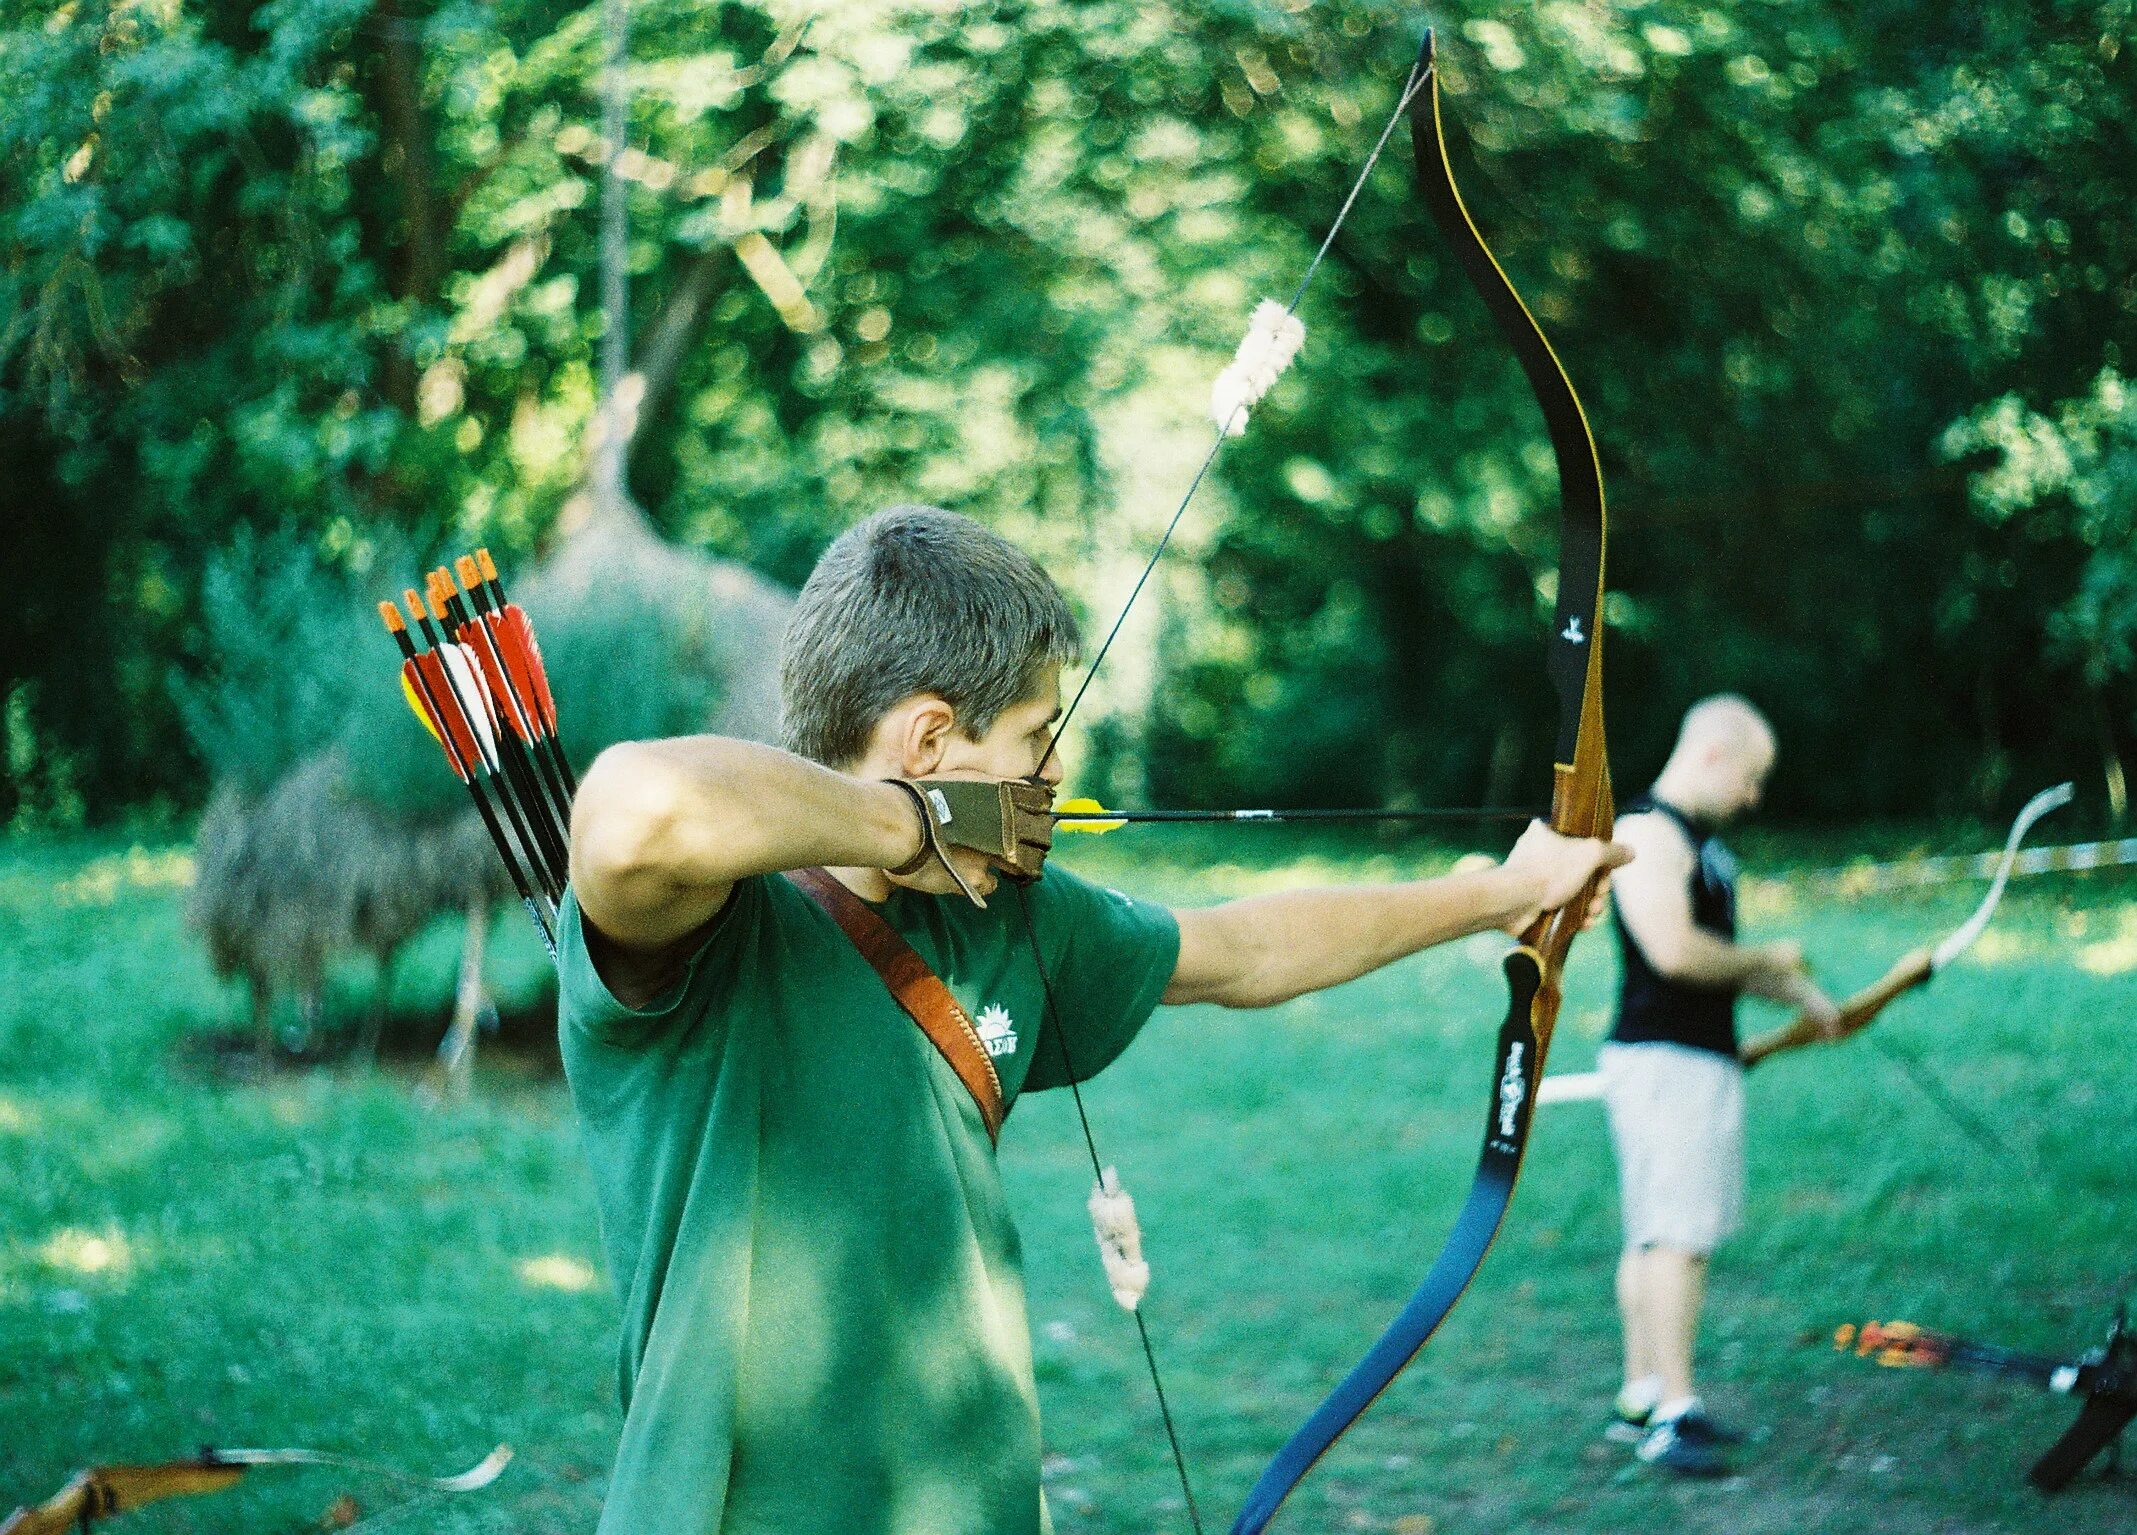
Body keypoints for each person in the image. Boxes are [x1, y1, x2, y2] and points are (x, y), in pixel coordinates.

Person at [561, 505, 1628, 1535]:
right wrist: (909, 823)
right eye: (1035, 736)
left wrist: (1499, 895)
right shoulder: (711, 932)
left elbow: (1243, 949)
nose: (1054, 773)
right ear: (932, 737)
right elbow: (632, 805)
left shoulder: (1005, 921)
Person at [1602, 694, 1839, 1477]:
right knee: (1677, 1235)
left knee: (1655, 1229)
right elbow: (1673, 951)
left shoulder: (1694, 841)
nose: (1753, 796)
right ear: (1711, 753)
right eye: (1751, 776)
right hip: (1665, 1059)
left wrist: (1794, 994)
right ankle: (1673, 1412)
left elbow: (1710, 959)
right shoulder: (1645, 833)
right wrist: (1770, 958)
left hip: (1689, 1055)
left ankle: (1640, 1395)